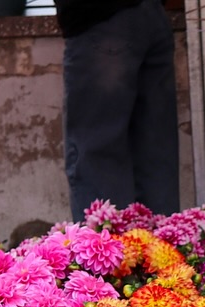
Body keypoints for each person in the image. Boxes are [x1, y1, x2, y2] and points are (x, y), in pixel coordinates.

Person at [57, 0, 182, 221]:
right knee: (155, 155)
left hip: (100, 18)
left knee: (97, 156)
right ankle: (161, 249)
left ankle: (110, 251)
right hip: (151, 15)